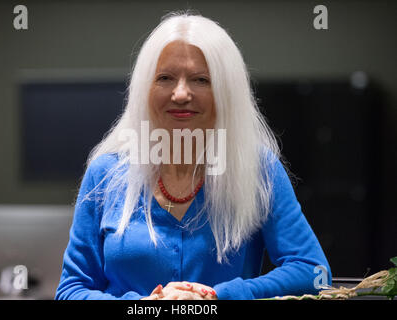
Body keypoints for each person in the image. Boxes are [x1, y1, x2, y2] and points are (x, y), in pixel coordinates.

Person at [55, 12, 331, 300]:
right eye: (165, 78)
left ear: (226, 91)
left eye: (200, 79)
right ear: (144, 90)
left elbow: (313, 273)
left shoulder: (258, 168)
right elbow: (71, 291)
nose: (181, 93)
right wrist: (145, 306)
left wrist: (218, 297)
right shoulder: (105, 173)